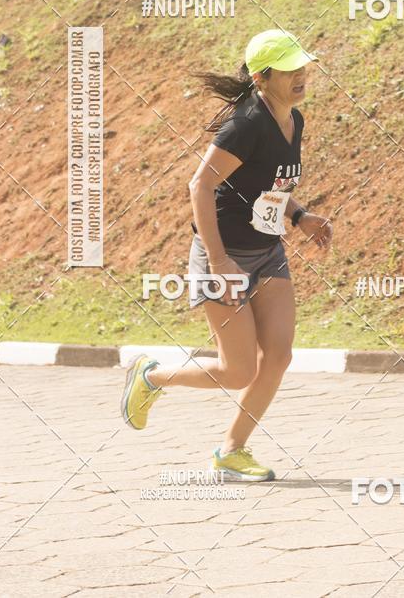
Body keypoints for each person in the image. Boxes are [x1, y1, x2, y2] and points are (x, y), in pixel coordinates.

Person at [121, 29, 333, 480]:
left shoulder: (293, 119)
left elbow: (270, 184)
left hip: (267, 250)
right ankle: (151, 377)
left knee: (278, 356)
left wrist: (299, 215)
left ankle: (231, 451)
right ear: (261, 78)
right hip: (224, 253)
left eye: (302, 66)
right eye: (288, 70)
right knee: (238, 371)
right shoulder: (246, 124)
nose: (300, 75)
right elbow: (200, 185)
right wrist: (218, 262)